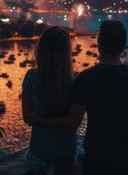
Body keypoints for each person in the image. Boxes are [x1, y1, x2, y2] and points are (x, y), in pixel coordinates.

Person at [71, 19, 128, 175]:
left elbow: (74, 121)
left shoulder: (85, 78)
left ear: (99, 45)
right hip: (125, 158)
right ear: (124, 46)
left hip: (95, 157)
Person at [21, 26, 77, 174]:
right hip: (67, 149)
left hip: (39, 148)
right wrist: (61, 121)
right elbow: (74, 121)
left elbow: (28, 117)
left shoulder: (32, 77)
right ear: (66, 52)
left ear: (41, 50)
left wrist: (41, 119)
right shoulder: (75, 81)